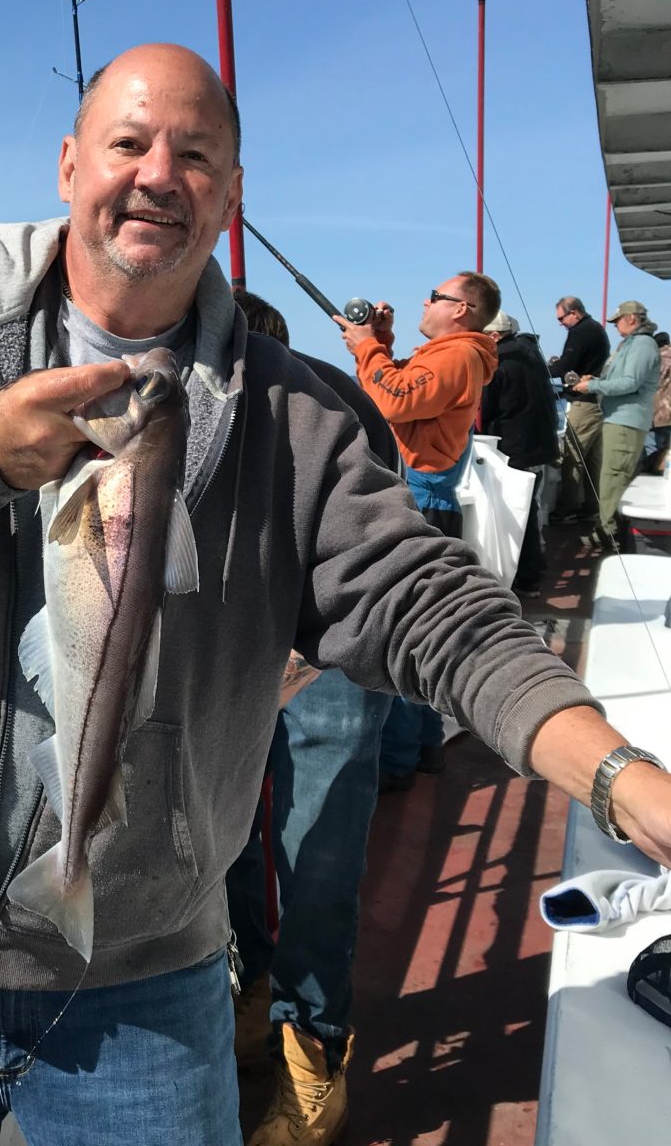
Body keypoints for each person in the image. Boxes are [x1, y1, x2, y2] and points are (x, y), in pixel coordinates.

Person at [0, 44, 671, 1146]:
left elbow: (427, 607)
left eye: (196, 154)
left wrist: (617, 774)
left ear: (228, 196)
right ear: (72, 164)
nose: (158, 172)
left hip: (144, 977)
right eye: (128, 143)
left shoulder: (294, 414)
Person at [226, 290, 396, 1146]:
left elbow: (378, 556)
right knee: (227, 840)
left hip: (331, 656)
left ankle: (315, 1048)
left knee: (316, 852)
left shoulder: (338, 403)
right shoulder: (183, 399)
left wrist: (312, 655)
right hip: (229, 659)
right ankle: (251, 997)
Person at [334, 276, 499, 789]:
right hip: (427, 494)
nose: (425, 302)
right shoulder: (452, 354)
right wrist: (378, 347)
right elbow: (398, 387)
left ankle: (398, 761)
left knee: (396, 632)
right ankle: (424, 744)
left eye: (436, 296)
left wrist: (366, 349)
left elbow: (396, 402)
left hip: (420, 499)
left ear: (463, 309)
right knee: (416, 630)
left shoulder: (458, 355)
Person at [481, 311, 560, 598]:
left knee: (516, 516)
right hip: (538, 446)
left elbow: (485, 409)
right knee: (530, 511)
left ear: (492, 336)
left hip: (514, 449)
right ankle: (531, 574)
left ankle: (526, 578)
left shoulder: (498, 361)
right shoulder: (530, 352)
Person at [571, 301, 662, 547]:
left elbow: (629, 383)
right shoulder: (635, 344)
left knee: (614, 478)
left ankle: (609, 534)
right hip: (620, 420)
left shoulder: (642, 344)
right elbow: (626, 380)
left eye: (618, 321)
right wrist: (598, 380)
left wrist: (592, 385)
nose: (615, 326)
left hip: (625, 422)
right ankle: (610, 532)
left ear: (631, 318)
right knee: (613, 476)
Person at [548, 296, 611, 523]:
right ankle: (592, 508)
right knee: (593, 460)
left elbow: (566, 365)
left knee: (573, 457)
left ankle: (567, 510)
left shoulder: (580, 332)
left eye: (561, 318)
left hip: (583, 404)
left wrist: (544, 368)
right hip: (598, 404)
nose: (560, 323)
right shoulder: (596, 329)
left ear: (574, 313)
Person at [644, 330, 671, 475]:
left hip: (657, 411)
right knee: (667, 449)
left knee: (651, 448)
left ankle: (651, 477)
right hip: (669, 412)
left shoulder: (656, 359)